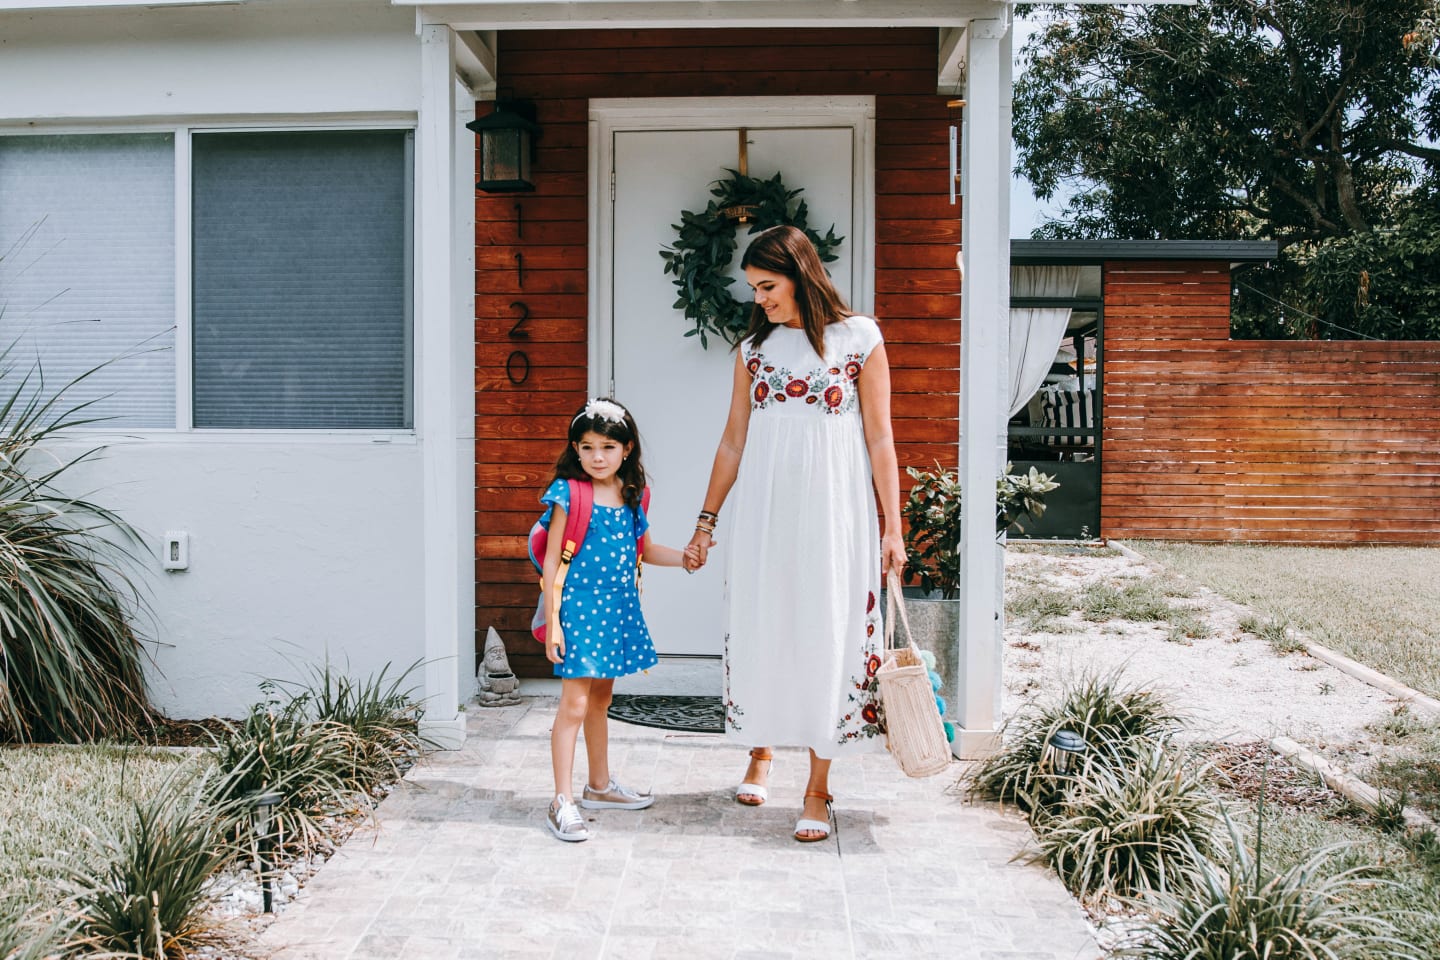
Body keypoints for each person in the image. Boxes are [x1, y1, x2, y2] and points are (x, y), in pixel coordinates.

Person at [684, 224, 905, 843]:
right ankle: (760, 749)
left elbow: (881, 438)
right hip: (766, 507)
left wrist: (893, 525)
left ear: (801, 274)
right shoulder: (753, 352)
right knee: (765, 619)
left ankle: (817, 787)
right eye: (754, 287)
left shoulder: (860, 338)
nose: (759, 298)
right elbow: (733, 440)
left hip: (836, 509)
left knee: (827, 627)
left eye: (767, 285)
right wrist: (706, 519)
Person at [538, 397, 695, 842]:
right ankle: (561, 800)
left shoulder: (631, 493)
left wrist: (684, 558)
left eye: (608, 447)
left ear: (626, 450)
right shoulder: (569, 494)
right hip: (580, 611)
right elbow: (552, 563)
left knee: (601, 701)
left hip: (617, 609)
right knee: (573, 705)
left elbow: (643, 549)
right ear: (575, 448)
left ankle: (599, 786)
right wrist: (554, 621)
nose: (598, 457)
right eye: (587, 447)